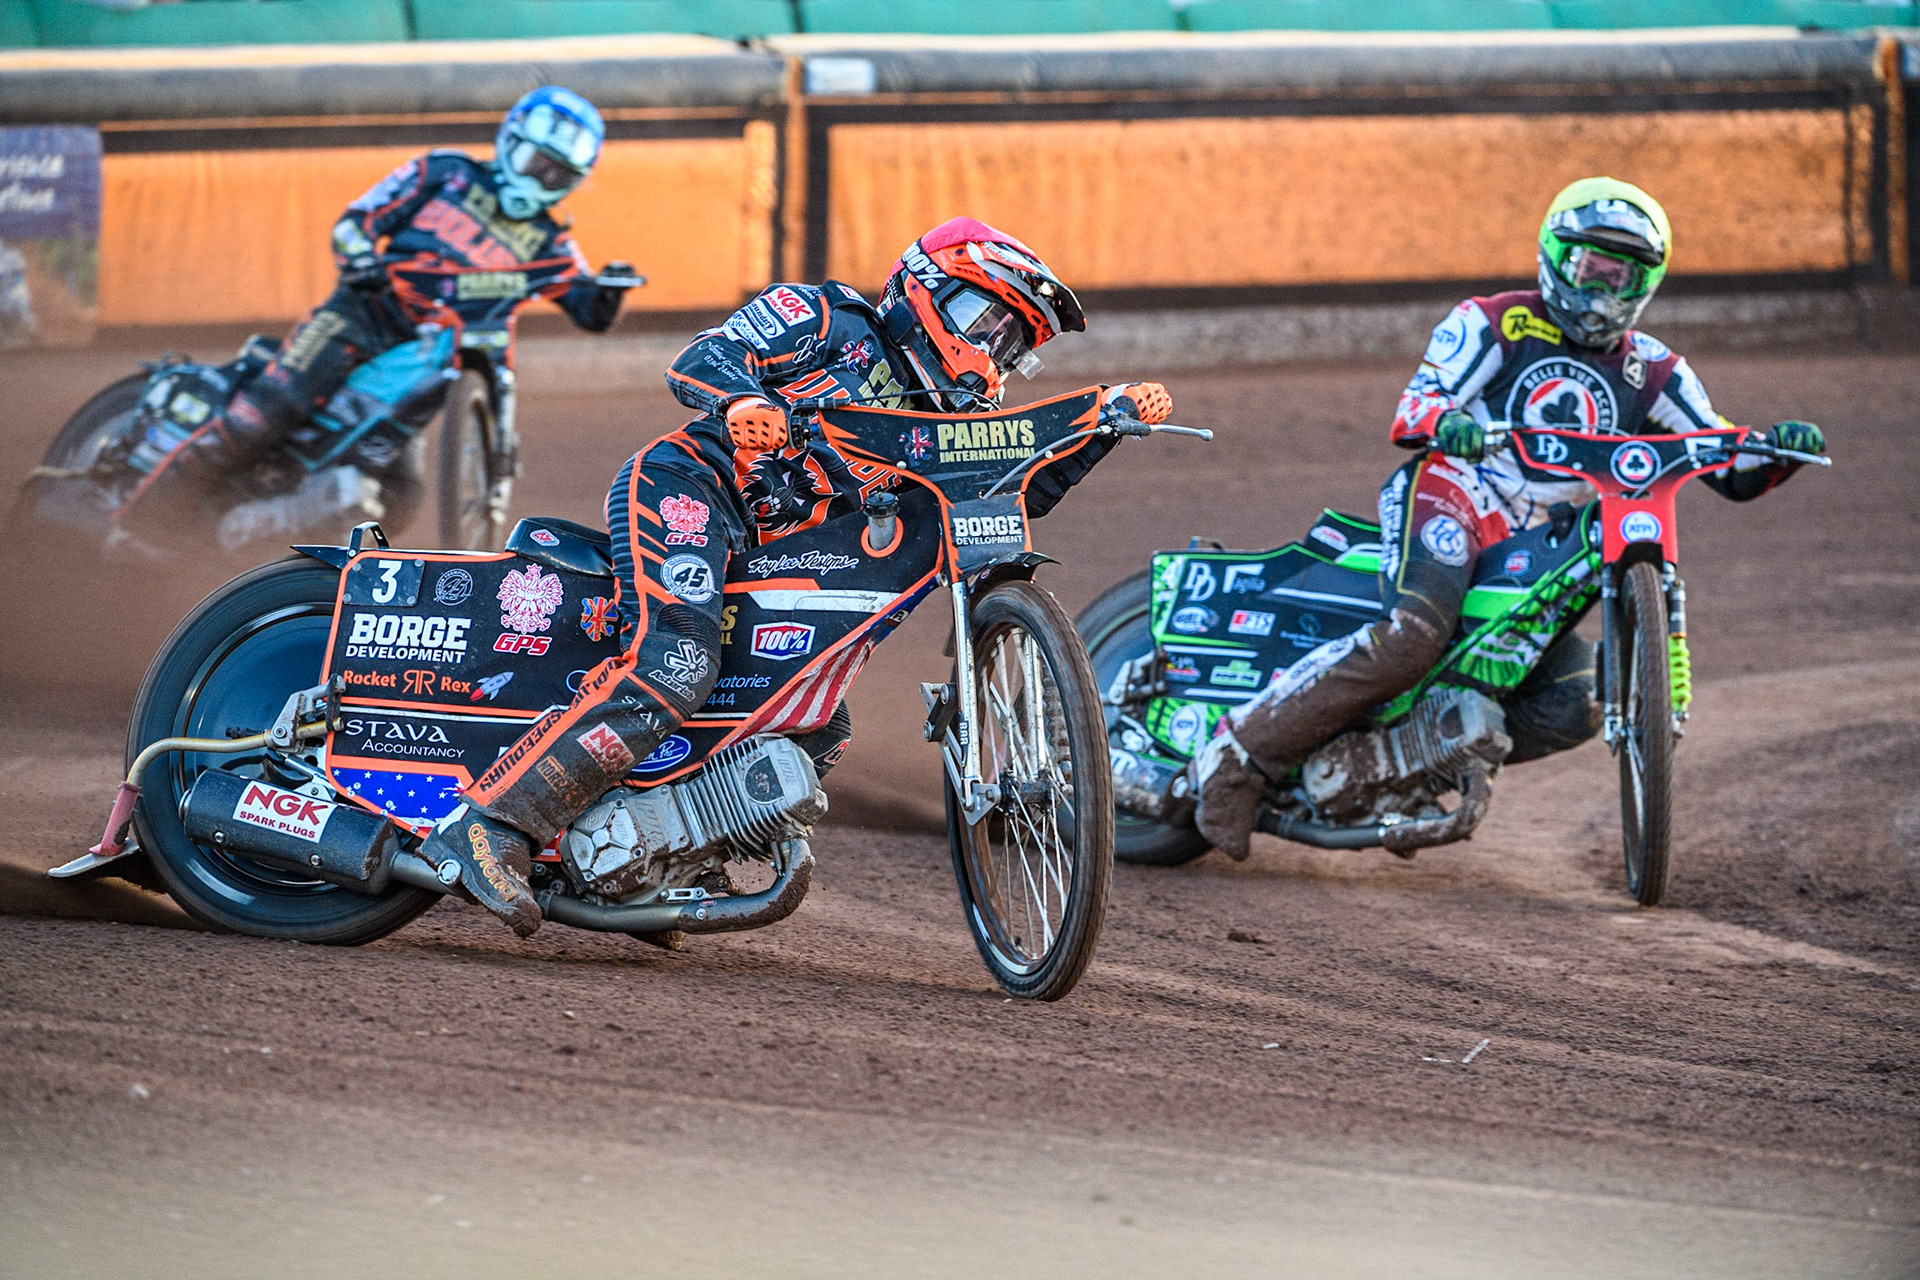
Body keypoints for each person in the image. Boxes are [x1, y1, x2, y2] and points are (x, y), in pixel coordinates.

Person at [421, 215, 1174, 935]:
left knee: (817, 726)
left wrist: (1101, 431)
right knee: (677, 664)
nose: (993, 352)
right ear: (927, 288)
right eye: (987, 322)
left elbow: (1019, 487)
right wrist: (749, 400)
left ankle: (651, 856)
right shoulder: (826, 316)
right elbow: (702, 356)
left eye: (1012, 344)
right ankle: (491, 824)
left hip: (768, 551)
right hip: (693, 489)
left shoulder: (951, 414)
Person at [1192, 176, 1828, 862]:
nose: (1601, 292)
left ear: (1647, 283)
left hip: (1540, 541)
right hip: (1456, 493)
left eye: (1622, 277)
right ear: (1556, 258)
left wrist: (1777, 450)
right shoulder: (1494, 321)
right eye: (1590, 269)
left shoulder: (1654, 369)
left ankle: (1404, 768)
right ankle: (1236, 759)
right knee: (1413, 636)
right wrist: (1452, 423)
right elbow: (1415, 407)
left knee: (1574, 700)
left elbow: (1723, 460)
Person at [125, 86, 633, 518]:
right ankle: (140, 519)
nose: (540, 182)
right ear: (509, 143)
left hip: (423, 368)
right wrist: (361, 262)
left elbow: (586, 309)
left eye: (558, 176)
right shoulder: (443, 173)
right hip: (362, 316)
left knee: (401, 497)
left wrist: (609, 292)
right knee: (268, 412)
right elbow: (354, 224)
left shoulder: (551, 243)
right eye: (535, 163)